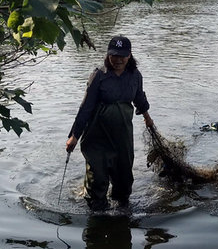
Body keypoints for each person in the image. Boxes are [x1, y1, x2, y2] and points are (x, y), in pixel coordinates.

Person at [66, 35, 154, 211]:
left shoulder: (135, 76)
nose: (118, 60)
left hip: (122, 135)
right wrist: (74, 136)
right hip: (97, 136)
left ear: (129, 55)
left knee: (124, 181)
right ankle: (97, 214)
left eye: (122, 56)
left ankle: (120, 217)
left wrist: (147, 117)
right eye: (114, 55)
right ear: (108, 55)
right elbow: (86, 108)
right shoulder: (99, 75)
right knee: (97, 179)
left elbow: (139, 98)